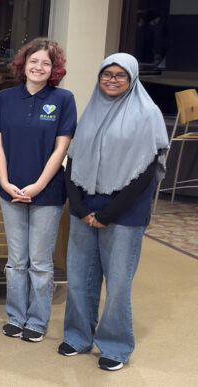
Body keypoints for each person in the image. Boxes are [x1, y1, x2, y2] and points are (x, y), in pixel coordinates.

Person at [60, 53, 168, 371]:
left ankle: (115, 346)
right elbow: (73, 160)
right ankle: (78, 336)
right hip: (85, 207)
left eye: (120, 75)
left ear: (132, 78)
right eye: (107, 74)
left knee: (118, 283)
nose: (112, 80)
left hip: (125, 211)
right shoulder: (91, 110)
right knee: (79, 277)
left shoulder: (147, 113)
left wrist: (108, 213)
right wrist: (79, 206)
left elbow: (147, 172)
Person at [0, 37, 75, 343]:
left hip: (47, 193)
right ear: (23, 64)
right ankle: (16, 316)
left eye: (46, 63)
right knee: (16, 260)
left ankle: (37, 321)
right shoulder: (5, 98)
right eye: (33, 61)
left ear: (54, 69)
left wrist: (38, 185)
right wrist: (4, 181)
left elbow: (61, 148)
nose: (38, 67)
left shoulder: (63, 99)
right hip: (10, 189)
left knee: (39, 262)